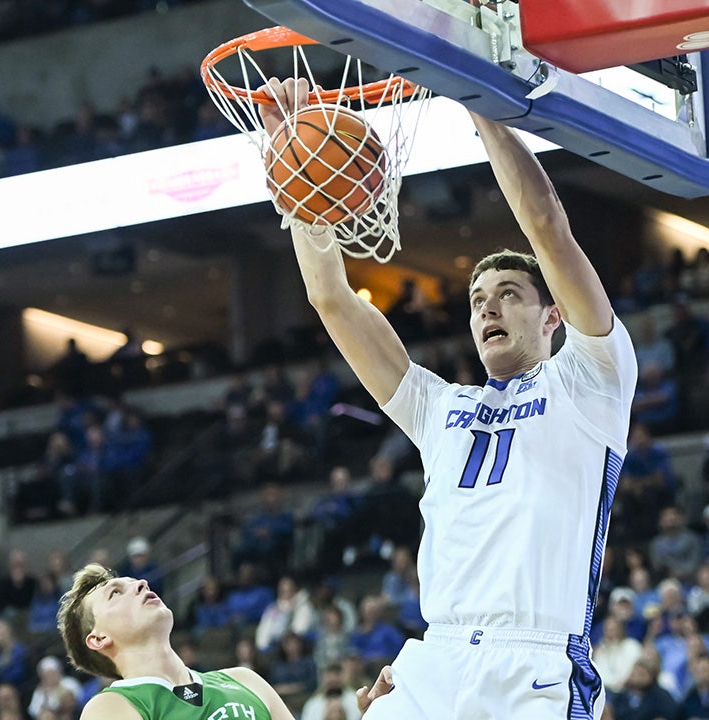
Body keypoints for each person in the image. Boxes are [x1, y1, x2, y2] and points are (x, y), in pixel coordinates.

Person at [262, 77, 637, 719]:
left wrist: (473, 93)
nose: (488, 305)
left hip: (534, 663)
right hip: (435, 661)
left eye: (510, 294)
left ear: (552, 318)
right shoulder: (439, 408)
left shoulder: (591, 378)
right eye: (477, 300)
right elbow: (329, 297)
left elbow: (546, 225)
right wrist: (298, 158)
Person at [57, 564, 366, 720]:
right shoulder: (111, 707)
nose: (140, 583)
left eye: (133, 582)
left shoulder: (244, 680)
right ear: (99, 638)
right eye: (115, 593)